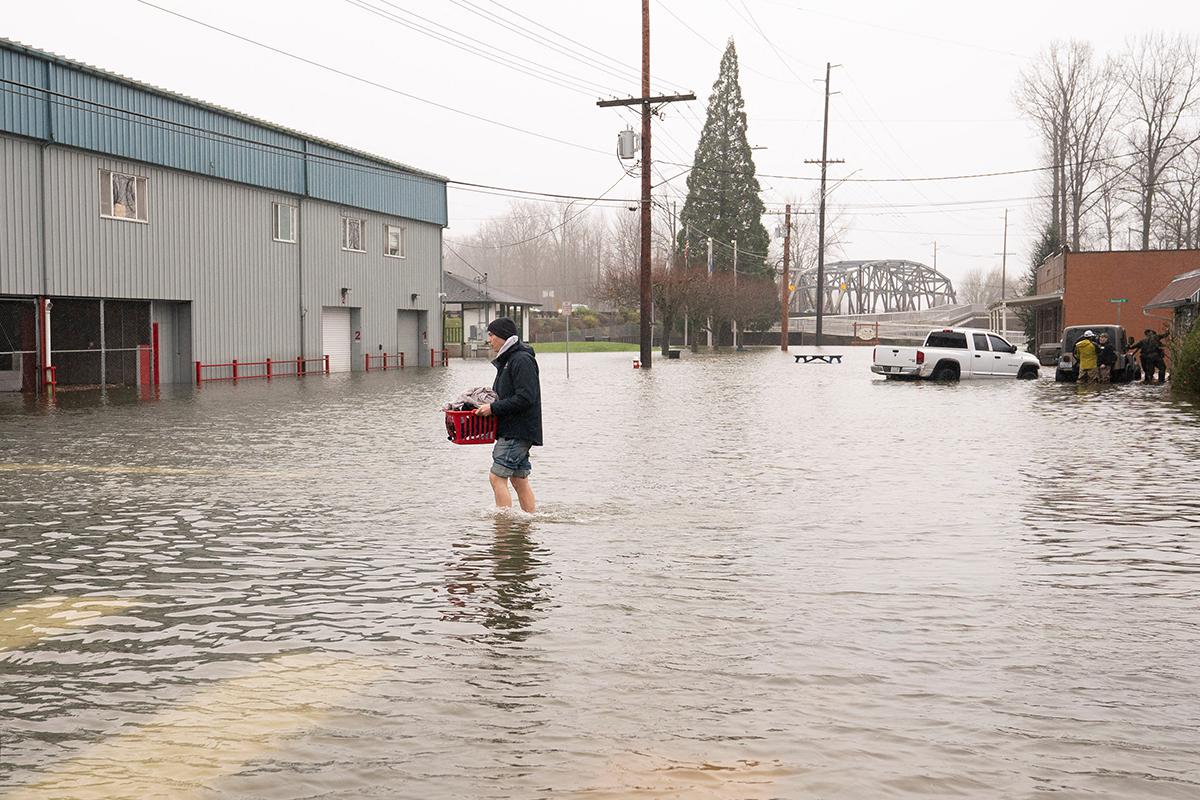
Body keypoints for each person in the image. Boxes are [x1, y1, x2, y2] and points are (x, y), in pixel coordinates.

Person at [475, 317, 541, 513]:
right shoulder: (509, 359)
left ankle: (503, 529)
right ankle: (528, 522)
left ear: (503, 336)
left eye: (491, 335)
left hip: (517, 431)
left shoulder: (521, 360)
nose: (489, 340)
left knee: (496, 477)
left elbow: (526, 397)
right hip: (516, 429)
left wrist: (493, 409)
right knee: (519, 480)